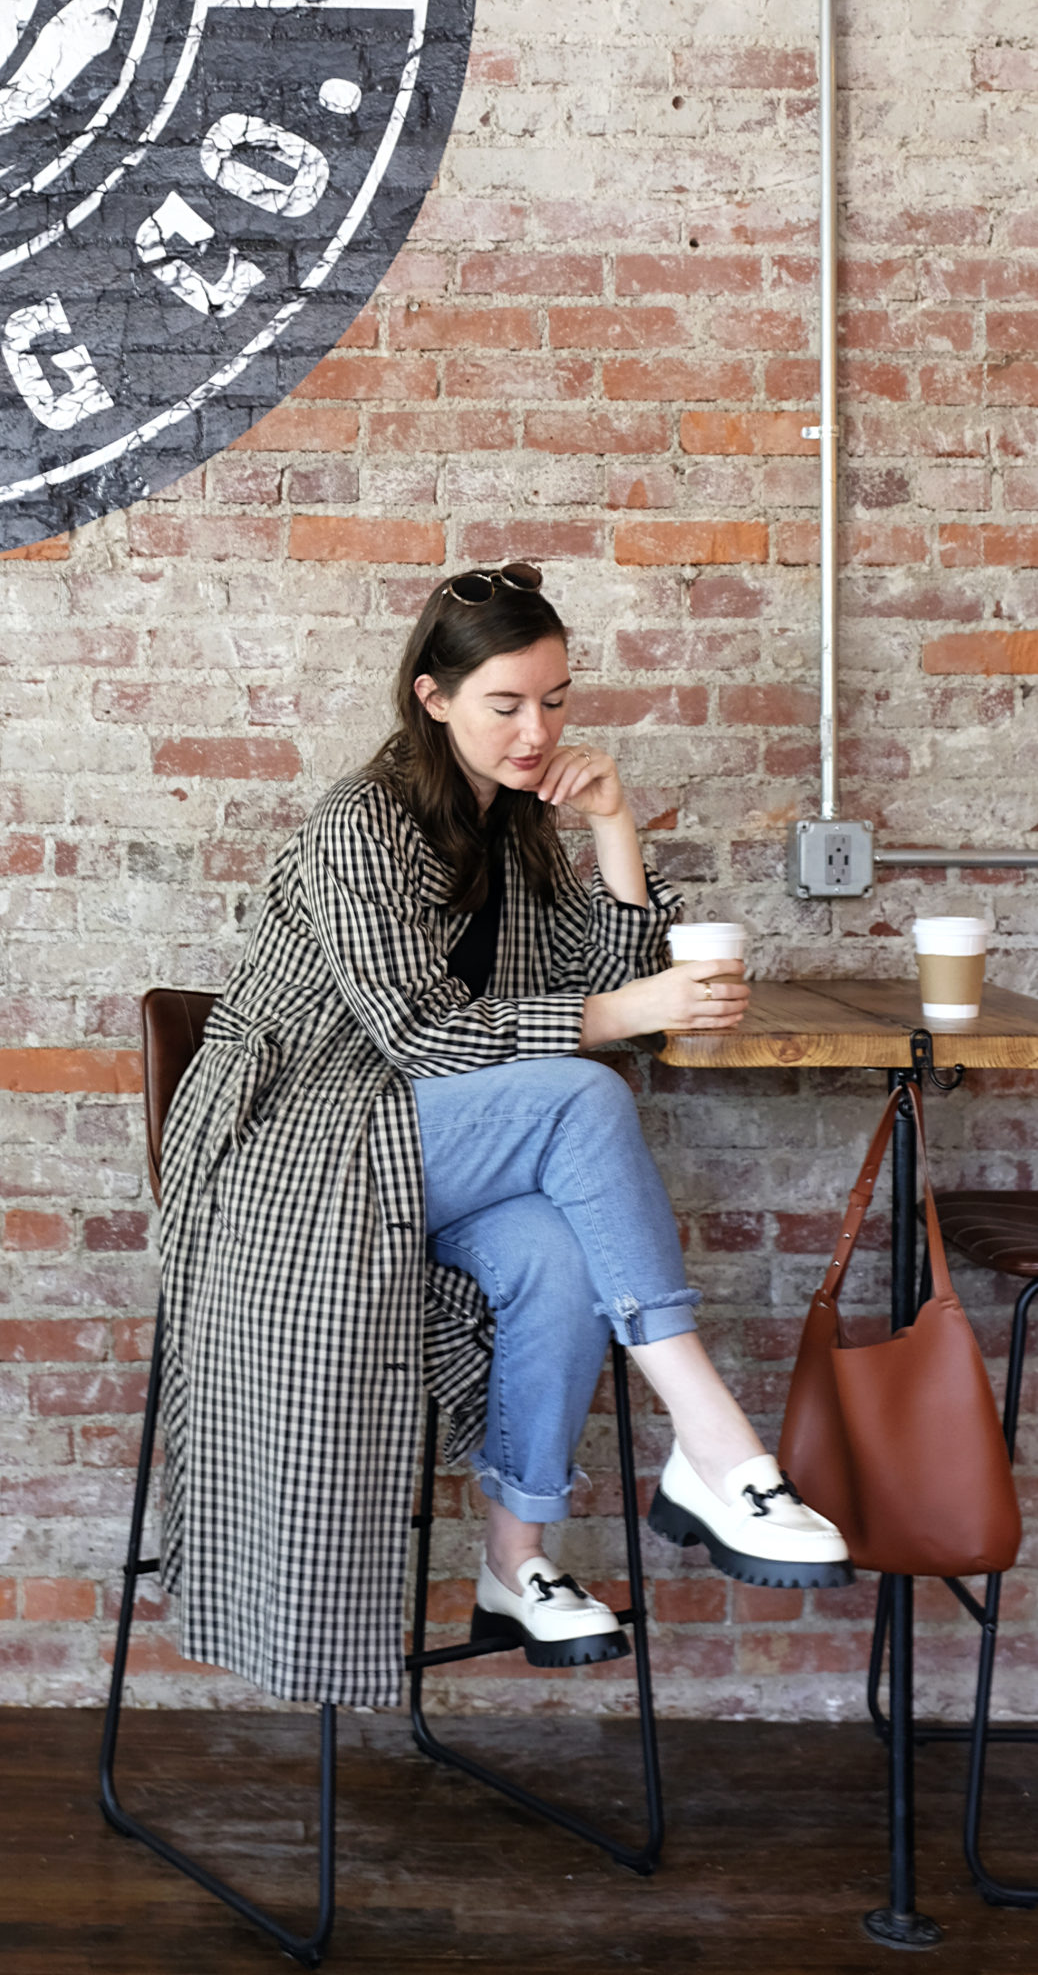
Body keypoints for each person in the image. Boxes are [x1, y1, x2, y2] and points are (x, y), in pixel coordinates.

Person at [156, 563, 850, 1709]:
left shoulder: (520, 823)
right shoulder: (361, 823)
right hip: (297, 1150)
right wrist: (620, 1015)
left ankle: (514, 1557)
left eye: (557, 699)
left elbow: (615, 979)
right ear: (433, 697)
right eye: (507, 705)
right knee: (581, 1097)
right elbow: (423, 1031)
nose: (539, 731)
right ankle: (719, 1442)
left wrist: (616, 822)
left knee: (560, 1253)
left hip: (426, 1146)